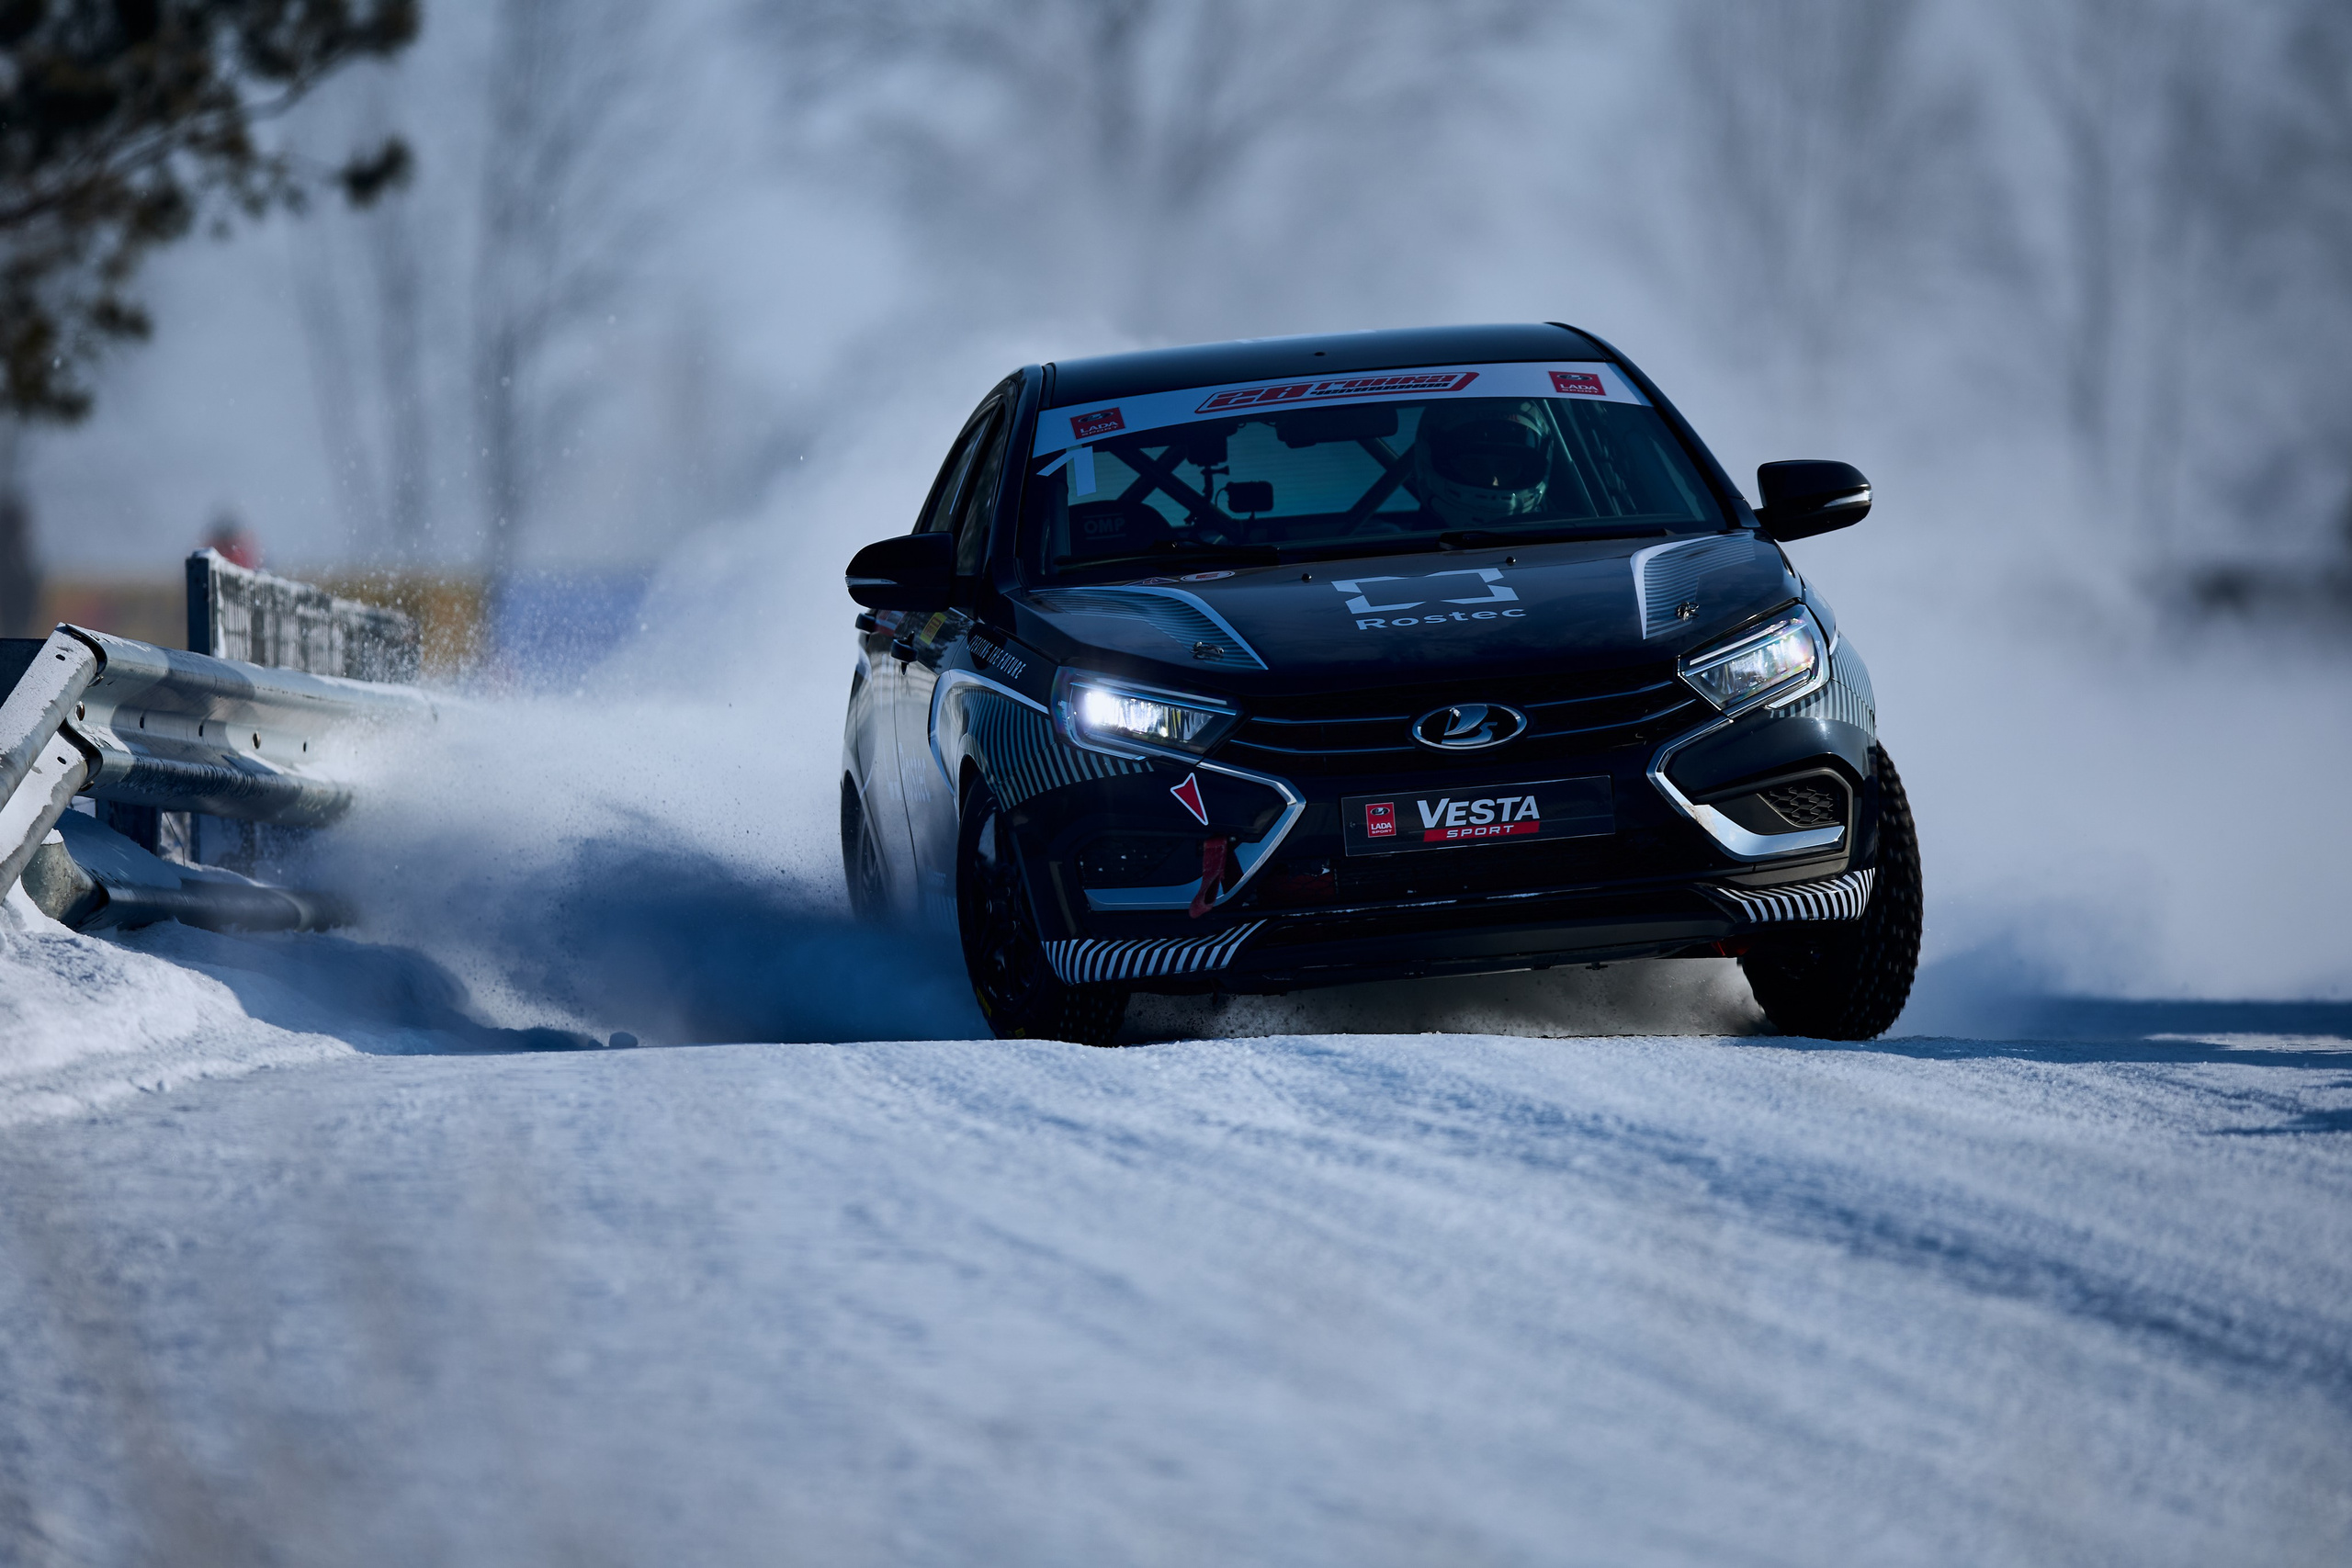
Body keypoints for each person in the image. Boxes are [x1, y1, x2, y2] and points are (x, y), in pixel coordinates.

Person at [1407, 399, 1555, 529]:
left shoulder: (1564, 538)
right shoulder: (1393, 551)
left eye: (1506, 467)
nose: (1493, 481)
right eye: (1474, 466)